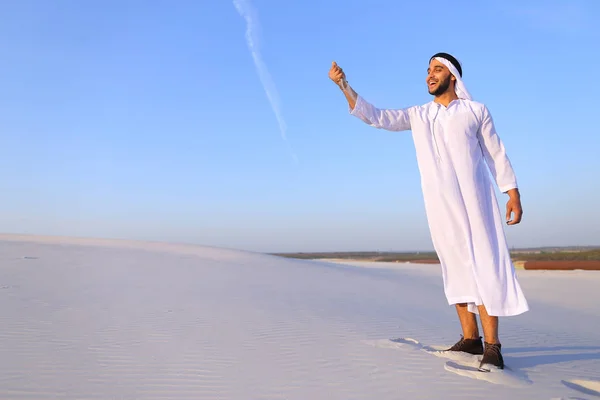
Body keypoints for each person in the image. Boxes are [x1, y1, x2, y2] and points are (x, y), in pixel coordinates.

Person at [328, 53, 529, 371]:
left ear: (453, 76)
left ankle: (493, 346)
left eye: (436, 70)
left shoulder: (475, 111)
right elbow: (377, 116)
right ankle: (471, 339)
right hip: (440, 204)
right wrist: (344, 85)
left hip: (478, 203)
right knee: (456, 265)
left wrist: (512, 193)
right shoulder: (419, 115)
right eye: (427, 71)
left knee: (486, 265)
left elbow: (495, 153)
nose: (429, 76)